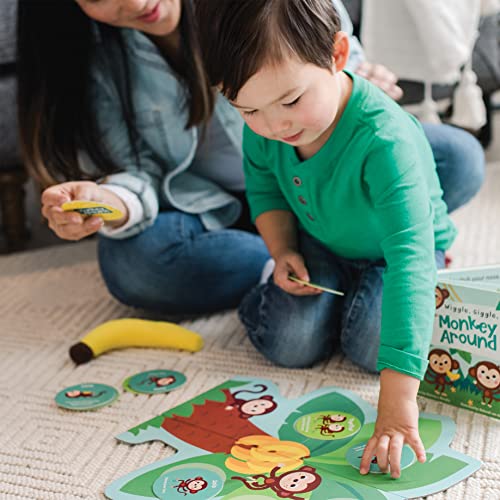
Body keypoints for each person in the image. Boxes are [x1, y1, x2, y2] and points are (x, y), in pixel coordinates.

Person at [17, 0, 483, 317]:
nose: (137, 2)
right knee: (133, 265)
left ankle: (323, 262)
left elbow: (338, 64)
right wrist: (109, 202)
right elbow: (137, 173)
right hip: (209, 208)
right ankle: (297, 266)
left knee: (455, 157)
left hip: (315, 184)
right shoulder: (100, 61)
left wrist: (357, 85)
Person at [194, 0, 459, 479]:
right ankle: (313, 298)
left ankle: (348, 308)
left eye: (291, 101)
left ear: (338, 55)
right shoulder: (266, 125)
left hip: (392, 256)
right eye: (248, 109)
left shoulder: (384, 139)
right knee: (290, 344)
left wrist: (397, 407)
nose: (274, 126)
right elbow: (265, 190)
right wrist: (282, 251)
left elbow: (411, 261)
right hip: (321, 243)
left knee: (374, 346)